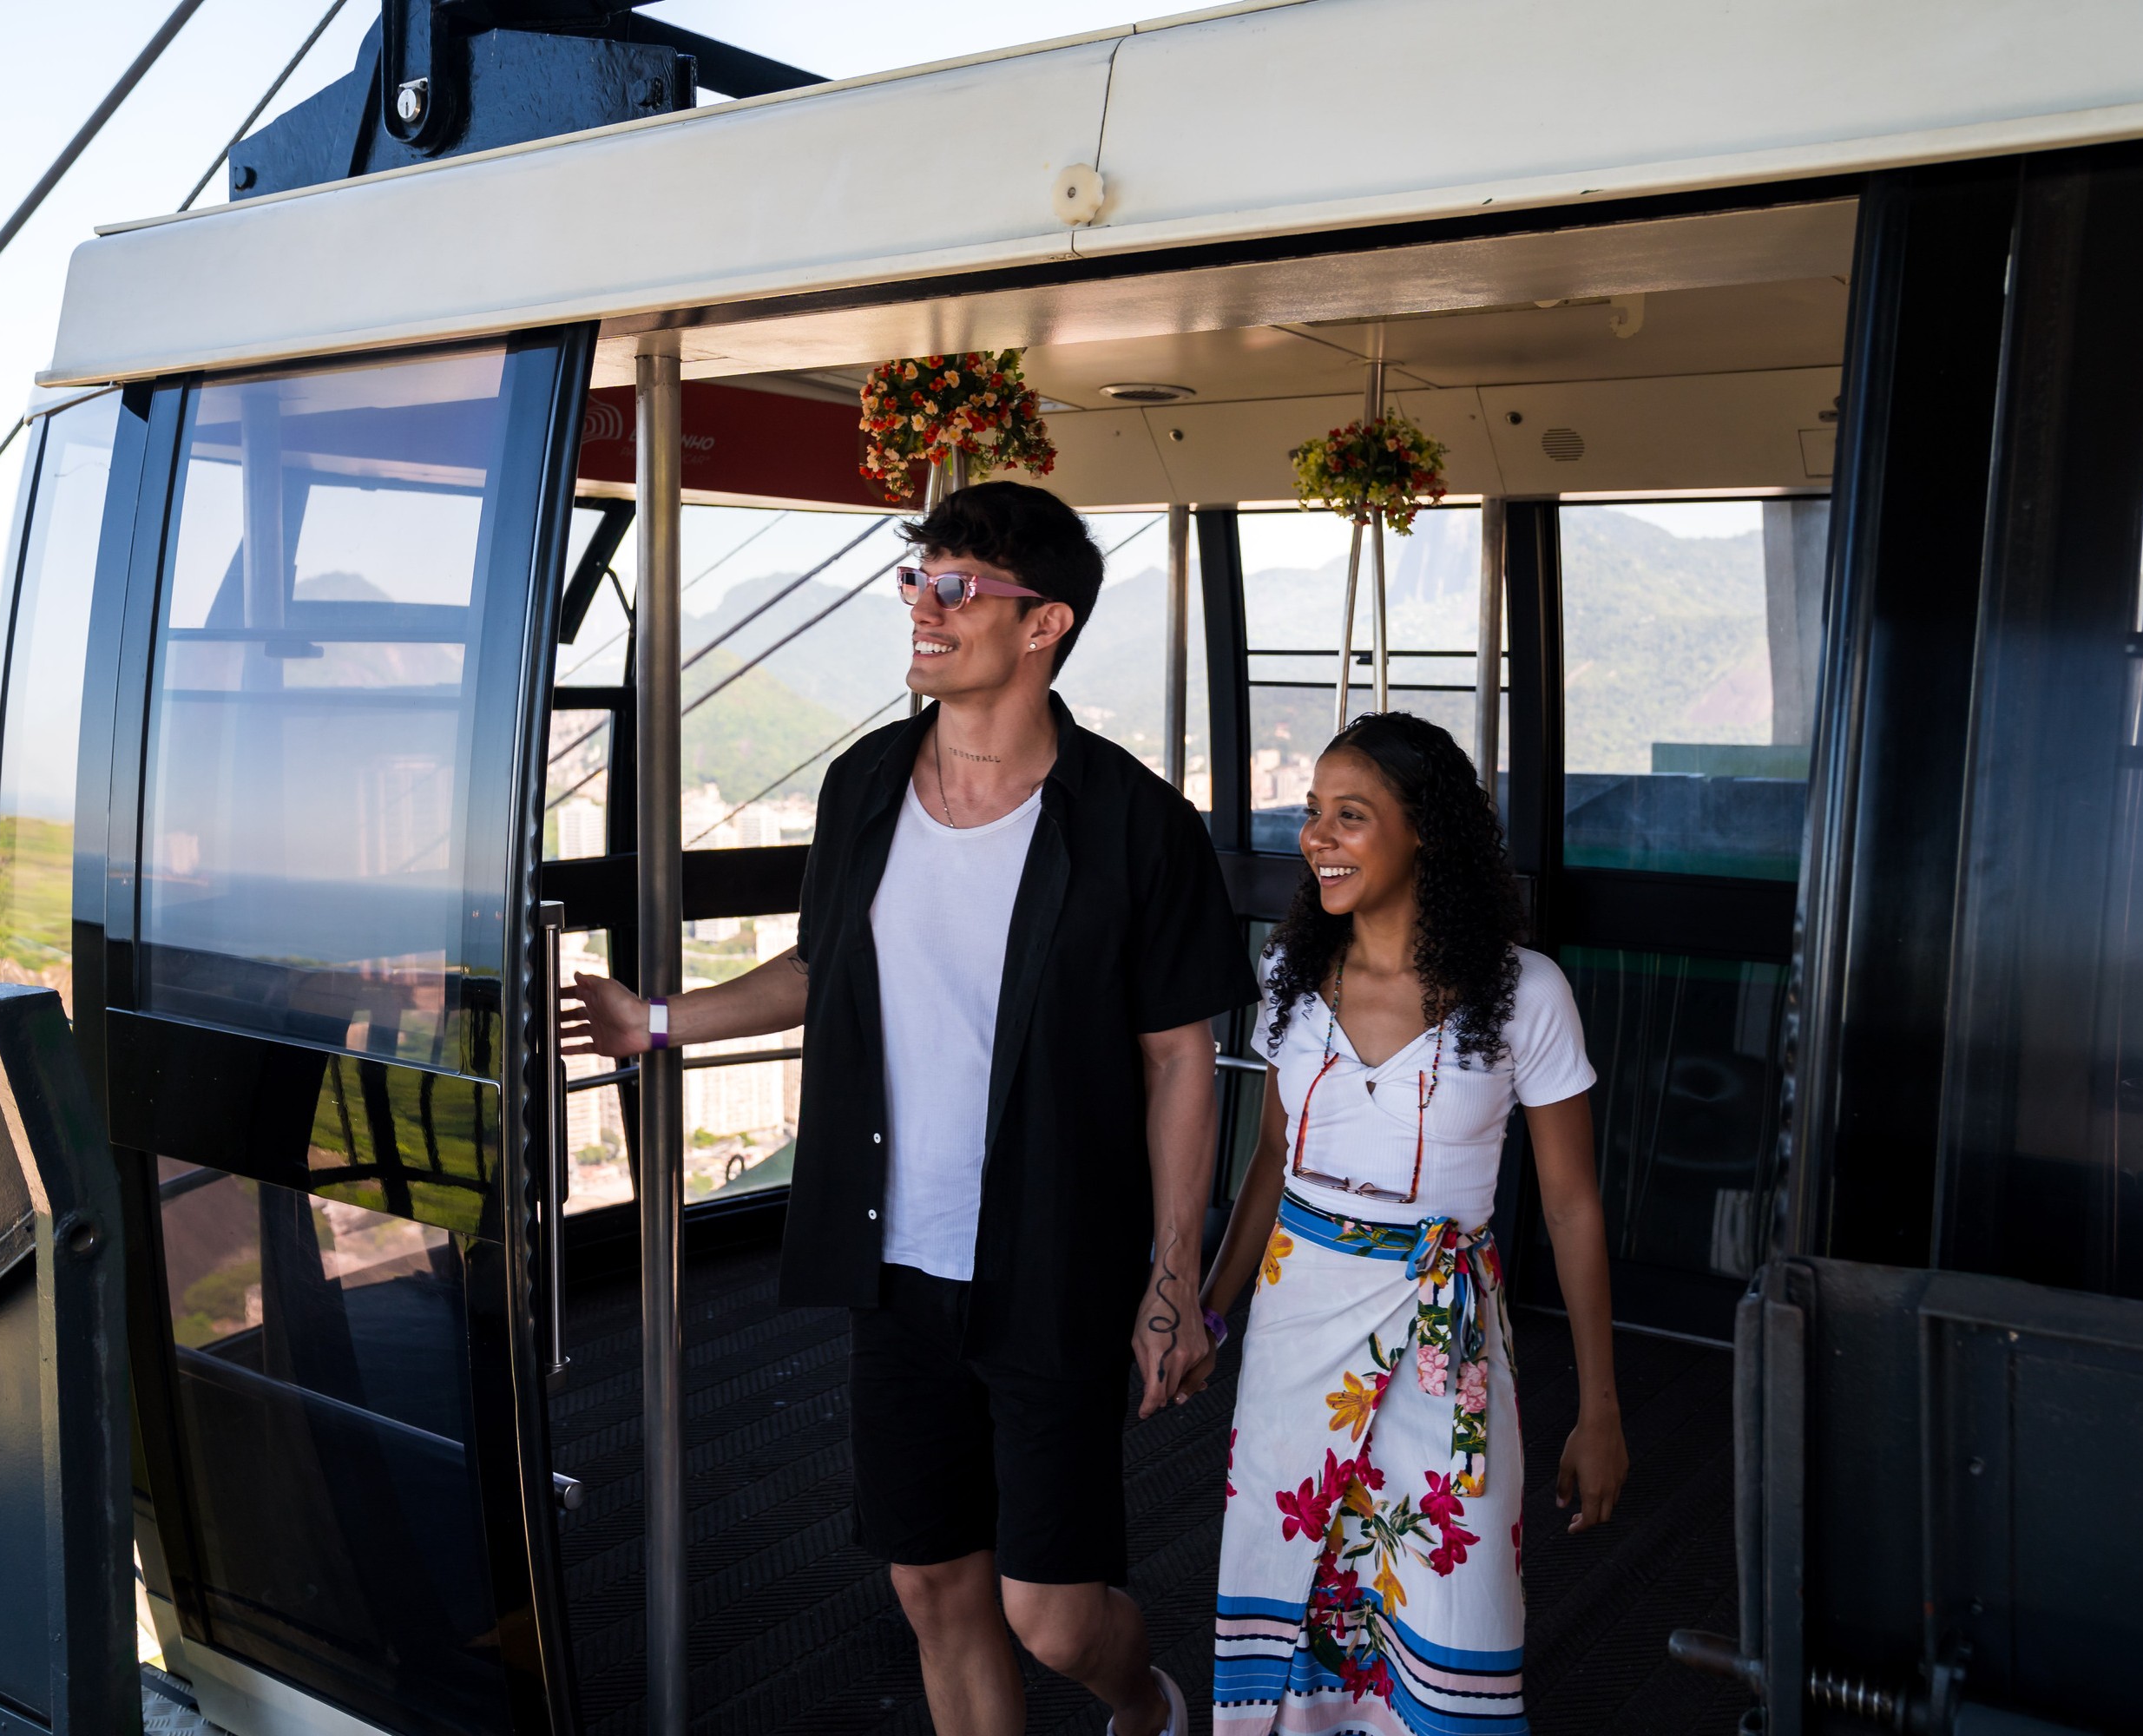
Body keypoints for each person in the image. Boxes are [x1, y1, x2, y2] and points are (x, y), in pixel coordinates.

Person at [562, 480, 1254, 1736]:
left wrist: (1172, 1278)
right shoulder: (865, 783)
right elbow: (825, 968)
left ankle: (1145, 1702)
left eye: (956, 588)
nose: (922, 611)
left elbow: (1176, 1057)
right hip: (895, 1261)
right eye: (915, 582)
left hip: (1052, 1267)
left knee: (1050, 1612)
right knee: (932, 1582)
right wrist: (658, 1022)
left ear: (1042, 624)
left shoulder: (1130, 821)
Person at [1189, 712, 1627, 1736]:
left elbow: (1571, 1203)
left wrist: (1600, 1407)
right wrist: (1209, 1314)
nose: (1319, 838)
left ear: (1423, 829)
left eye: (1352, 815)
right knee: (1287, 1593)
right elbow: (1270, 1159)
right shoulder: (1290, 978)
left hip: (1448, 1342)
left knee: (1452, 1594)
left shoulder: (1528, 994)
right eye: (1312, 815)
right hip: (1295, 1333)